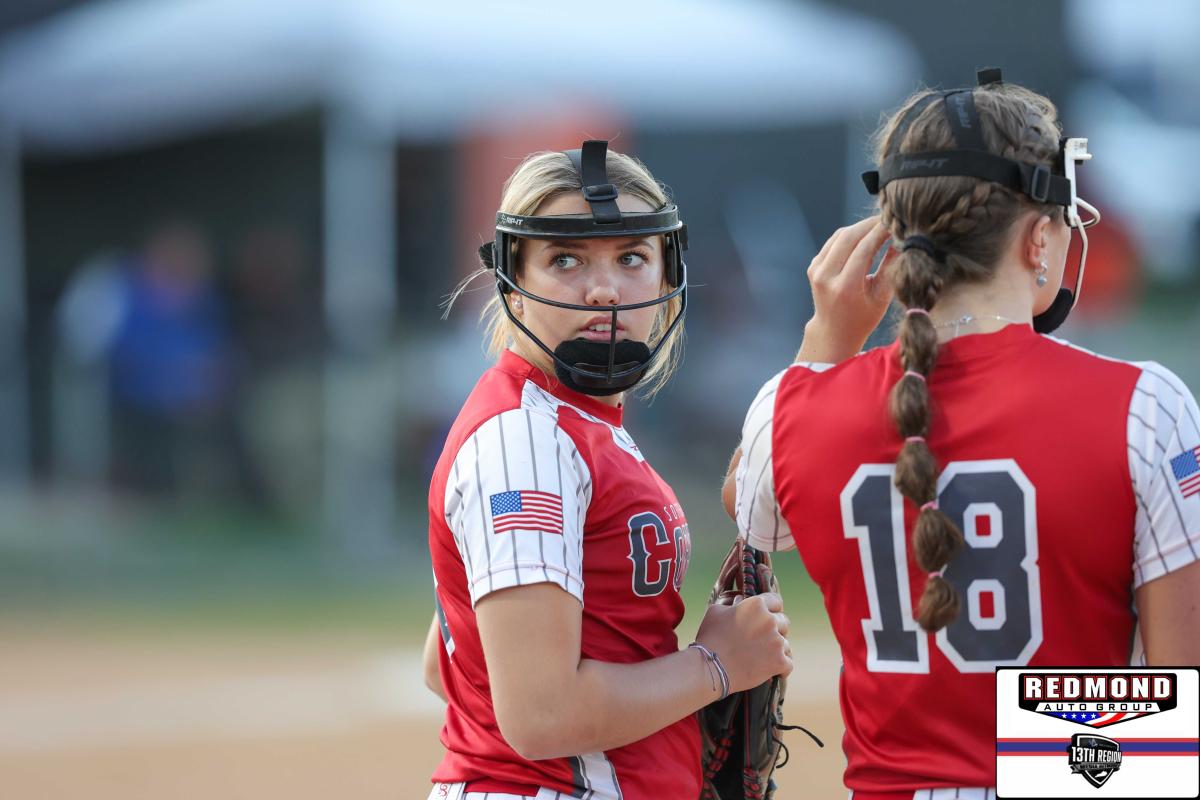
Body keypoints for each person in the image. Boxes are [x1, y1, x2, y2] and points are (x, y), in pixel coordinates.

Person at [723, 73, 1200, 798]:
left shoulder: (791, 409)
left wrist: (823, 342)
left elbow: (747, 500)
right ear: (1038, 239)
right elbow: (1174, 708)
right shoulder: (1145, 406)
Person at [423, 140, 792, 800]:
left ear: (667, 273)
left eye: (631, 257)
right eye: (565, 259)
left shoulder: (570, 423)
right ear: (513, 282)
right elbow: (541, 715)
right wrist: (715, 665)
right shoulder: (526, 440)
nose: (604, 288)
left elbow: (449, 663)